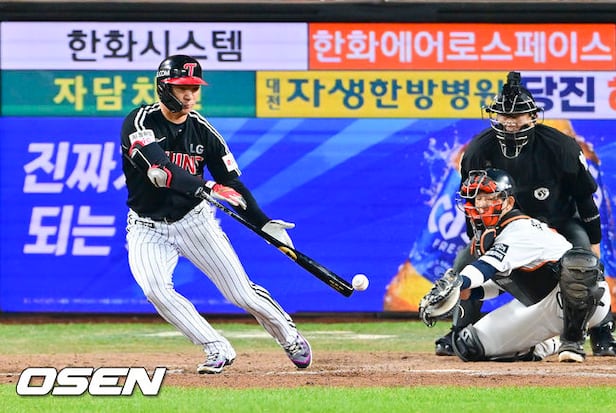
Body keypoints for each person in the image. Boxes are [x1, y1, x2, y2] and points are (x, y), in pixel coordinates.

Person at [120, 54, 311, 374]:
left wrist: (263, 223)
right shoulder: (139, 122)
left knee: (241, 293)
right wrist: (207, 186)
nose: (189, 95)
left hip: (194, 222)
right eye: (182, 87)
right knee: (155, 289)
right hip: (147, 226)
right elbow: (161, 173)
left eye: (194, 88)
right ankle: (216, 347)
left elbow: (231, 183)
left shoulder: (202, 130)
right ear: (163, 86)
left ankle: (288, 336)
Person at [434, 71, 615, 358]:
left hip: (559, 221)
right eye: (503, 115)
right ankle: (459, 329)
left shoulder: (561, 147)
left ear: (532, 116)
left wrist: (593, 243)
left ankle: (601, 332)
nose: (509, 122)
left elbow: (584, 197)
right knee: (465, 262)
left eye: (516, 115)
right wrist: (479, 239)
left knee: (586, 263)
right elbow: (472, 202)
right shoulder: (478, 151)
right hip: (507, 227)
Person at [425, 168, 611, 362]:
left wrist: (459, 281)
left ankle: (573, 340)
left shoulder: (520, 228)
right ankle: (548, 344)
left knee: (577, 263)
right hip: (543, 306)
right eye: (478, 198)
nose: (482, 204)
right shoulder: (492, 234)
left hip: (586, 301)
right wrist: (469, 292)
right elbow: (502, 284)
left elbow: (485, 267)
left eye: (490, 197)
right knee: (469, 345)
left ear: (509, 202)